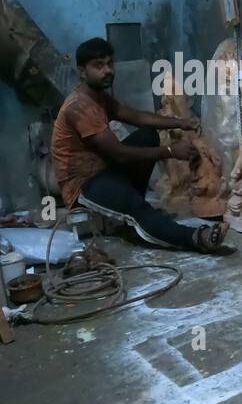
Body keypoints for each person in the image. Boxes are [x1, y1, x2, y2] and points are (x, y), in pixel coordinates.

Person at [51, 37, 229, 253]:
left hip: (104, 169)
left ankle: (130, 200)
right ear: (82, 71)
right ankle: (196, 238)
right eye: (99, 65)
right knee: (138, 209)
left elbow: (137, 116)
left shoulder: (99, 97)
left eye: (109, 63)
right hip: (85, 183)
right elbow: (119, 154)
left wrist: (182, 122)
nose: (107, 70)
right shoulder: (79, 107)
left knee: (147, 136)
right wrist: (171, 151)